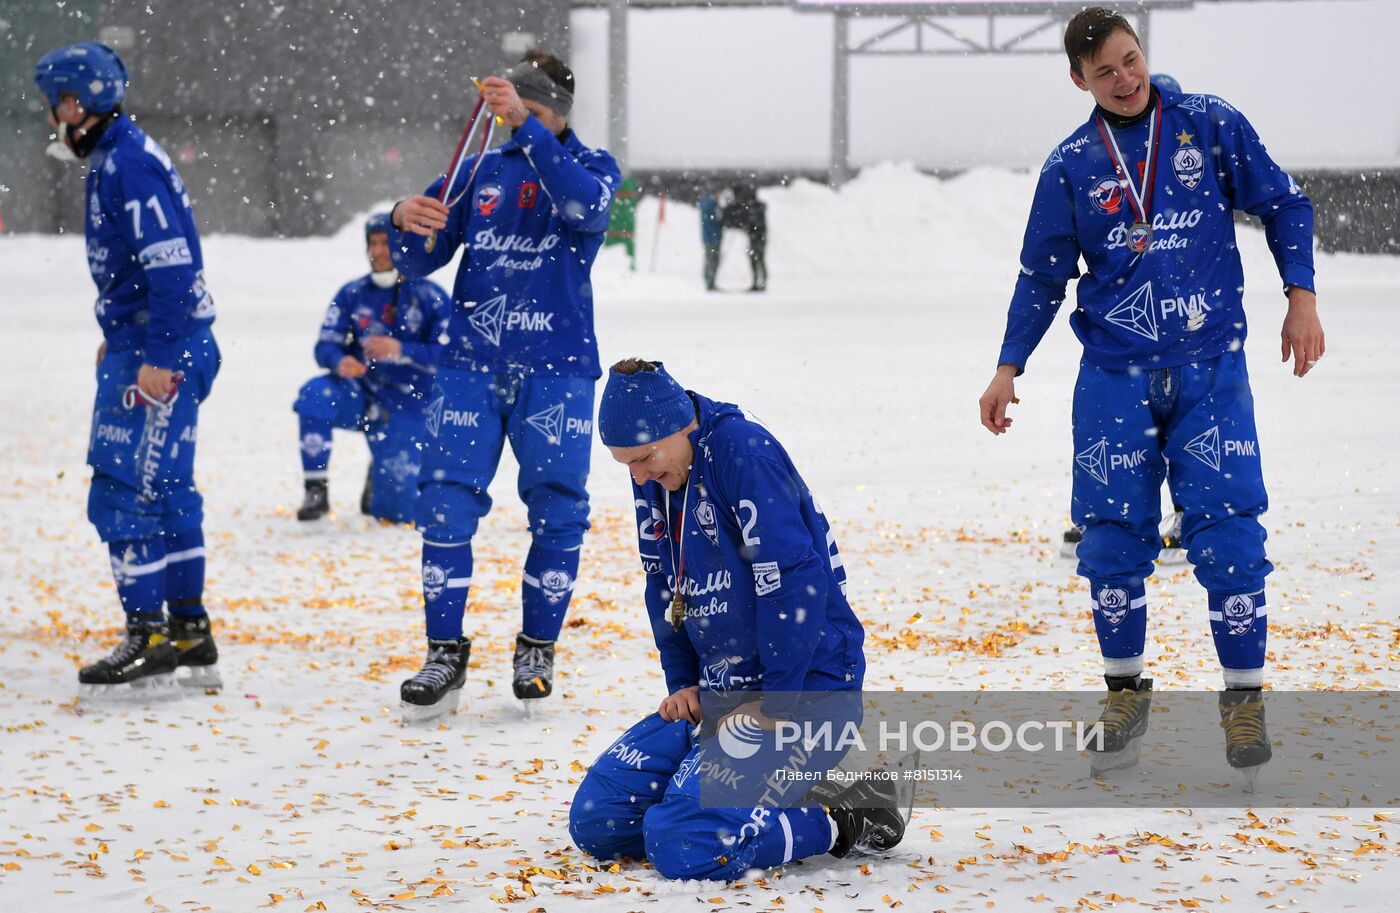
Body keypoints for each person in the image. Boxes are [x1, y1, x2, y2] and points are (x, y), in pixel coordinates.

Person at [977, 8, 1325, 778]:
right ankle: (1125, 691)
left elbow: (1284, 203)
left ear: (1143, 54)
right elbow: (1041, 277)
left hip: (1211, 373)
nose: (1125, 79)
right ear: (1079, 80)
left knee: (1231, 535)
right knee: (1109, 542)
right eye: (1105, 72)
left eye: (1130, 61)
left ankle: (1243, 703)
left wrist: (1299, 294)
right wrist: (1008, 365)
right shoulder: (1071, 165)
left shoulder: (1207, 124)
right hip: (1112, 379)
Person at [568, 359, 912, 881]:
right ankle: (728, 797)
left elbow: (792, 580)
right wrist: (683, 681)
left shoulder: (741, 451)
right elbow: (664, 582)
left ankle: (848, 814)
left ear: (681, 425)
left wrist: (778, 699)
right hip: (718, 697)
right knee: (599, 821)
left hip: (804, 692)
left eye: (643, 458)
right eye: (625, 465)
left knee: (686, 845)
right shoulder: (659, 472)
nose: (637, 476)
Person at [387, 50, 621, 717]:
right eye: (508, 108)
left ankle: (536, 646)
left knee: (558, 510)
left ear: (555, 113)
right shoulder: (477, 171)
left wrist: (527, 128)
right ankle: (442, 652)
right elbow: (419, 257)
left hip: (558, 370)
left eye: (529, 109)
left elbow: (583, 208)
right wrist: (400, 216)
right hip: (469, 366)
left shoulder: (591, 168)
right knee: (444, 505)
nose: (512, 120)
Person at [35, 43, 224, 695]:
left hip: (163, 349)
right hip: (156, 341)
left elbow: (169, 265)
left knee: (121, 491)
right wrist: (120, 338)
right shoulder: (125, 155)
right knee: (169, 489)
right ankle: (189, 630)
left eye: (54, 105)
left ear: (77, 102)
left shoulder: (127, 165)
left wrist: (155, 355)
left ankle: (148, 636)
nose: (52, 120)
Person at [1060, 71, 1187, 566]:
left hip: (1185, 337)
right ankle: (1105, 519)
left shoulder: (1181, 148)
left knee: (1189, 433)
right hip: (1122, 343)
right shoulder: (1098, 159)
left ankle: (1188, 515)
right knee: (1113, 433)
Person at [292, 213, 451, 523]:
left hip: (410, 404)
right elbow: (324, 345)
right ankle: (316, 488)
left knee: (396, 514)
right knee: (314, 395)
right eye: (372, 243)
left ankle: (380, 476)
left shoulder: (431, 296)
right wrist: (340, 361)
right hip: (361, 393)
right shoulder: (352, 293)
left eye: (385, 243)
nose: (377, 251)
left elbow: (449, 356)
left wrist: (403, 350)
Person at [722, 184, 768, 291]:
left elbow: (750, 221)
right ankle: (758, 281)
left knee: (758, 259)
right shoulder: (756, 207)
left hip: (758, 236)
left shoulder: (755, 208)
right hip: (756, 236)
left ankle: (761, 282)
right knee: (756, 259)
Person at [697, 190, 723, 291]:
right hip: (713, 238)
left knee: (709, 260)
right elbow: (716, 221)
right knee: (712, 261)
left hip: (709, 238)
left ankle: (709, 282)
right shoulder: (712, 206)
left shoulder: (706, 205)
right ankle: (710, 283)